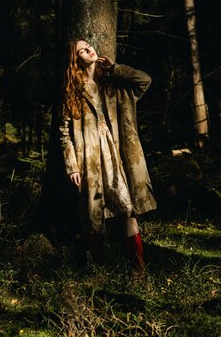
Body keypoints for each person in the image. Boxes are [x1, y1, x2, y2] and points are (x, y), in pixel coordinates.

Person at [59, 39, 156, 271]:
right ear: (75, 59)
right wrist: (71, 165)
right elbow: (64, 133)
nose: (89, 49)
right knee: (93, 216)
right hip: (89, 159)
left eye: (89, 45)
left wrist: (115, 68)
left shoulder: (114, 84)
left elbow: (145, 80)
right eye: (82, 49)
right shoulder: (72, 91)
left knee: (128, 210)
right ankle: (101, 272)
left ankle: (139, 271)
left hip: (117, 156)